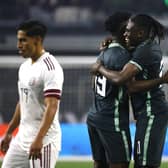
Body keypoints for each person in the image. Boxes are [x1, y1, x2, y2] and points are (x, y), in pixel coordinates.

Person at [91, 14, 168, 168]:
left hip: (152, 113)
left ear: (140, 33)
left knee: (145, 164)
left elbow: (124, 82)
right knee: (141, 162)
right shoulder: (141, 47)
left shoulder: (146, 50)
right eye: (124, 31)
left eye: (128, 31)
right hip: (144, 114)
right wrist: (113, 41)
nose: (125, 34)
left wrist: (99, 67)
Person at [0, 20, 64, 168]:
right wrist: (9, 132)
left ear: (37, 40)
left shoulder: (50, 67)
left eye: (23, 40)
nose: (18, 45)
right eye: (18, 40)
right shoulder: (24, 67)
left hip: (44, 141)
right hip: (22, 139)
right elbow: (23, 101)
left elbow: (52, 106)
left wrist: (39, 139)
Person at [87, 12, 132, 168]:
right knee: (120, 164)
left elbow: (93, 83)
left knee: (99, 163)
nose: (131, 28)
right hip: (113, 119)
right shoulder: (123, 55)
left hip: (94, 115)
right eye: (129, 25)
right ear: (122, 29)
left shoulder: (104, 52)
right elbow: (127, 83)